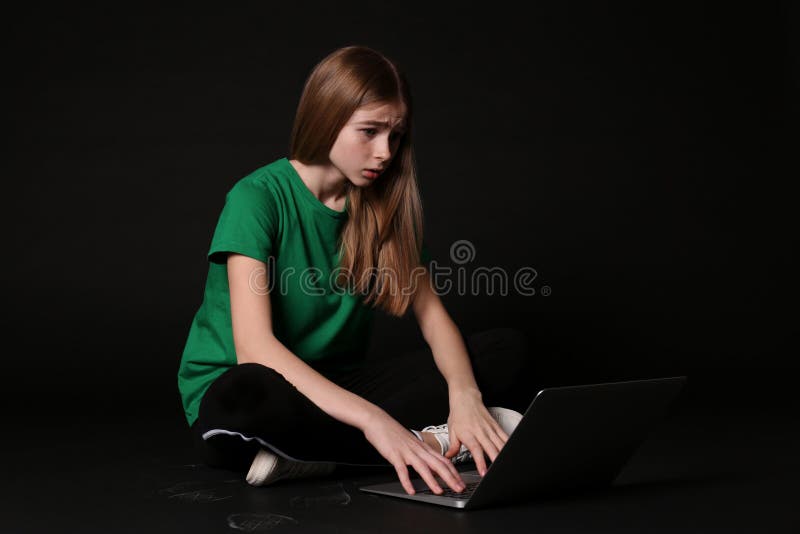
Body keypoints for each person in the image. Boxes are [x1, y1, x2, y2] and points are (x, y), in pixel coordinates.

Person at [177, 45, 531, 497]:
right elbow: (256, 349)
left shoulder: (382, 207)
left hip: (332, 387)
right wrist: (375, 420)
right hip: (253, 388)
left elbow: (436, 322)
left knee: (504, 350)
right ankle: (431, 442)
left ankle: (311, 458)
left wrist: (465, 397)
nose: (384, 152)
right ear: (327, 118)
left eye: (396, 136)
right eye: (370, 131)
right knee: (249, 393)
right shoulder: (257, 198)